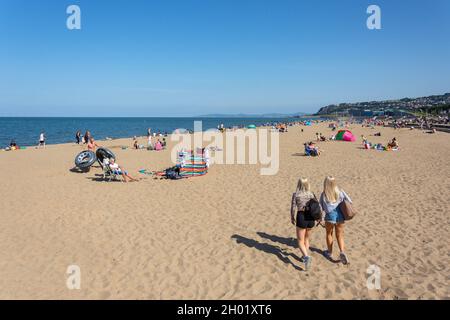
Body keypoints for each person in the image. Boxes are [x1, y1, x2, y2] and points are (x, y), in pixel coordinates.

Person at [319, 176, 351, 264]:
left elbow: (320, 207)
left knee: (329, 234)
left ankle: (329, 252)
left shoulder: (324, 194)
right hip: (340, 217)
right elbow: (349, 201)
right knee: (340, 235)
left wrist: (320, 219)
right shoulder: (340, 192)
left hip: (329, 217)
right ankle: (342, 252)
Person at [290, 177, 317, 270]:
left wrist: (292, 217)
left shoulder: (296, 194)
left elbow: (293, 207)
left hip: (301, 216)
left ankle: (306, 257)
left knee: (300, 241)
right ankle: (305, 254)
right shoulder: (311, 194)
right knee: (307, 238)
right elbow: (316, 206)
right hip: (311, 218)